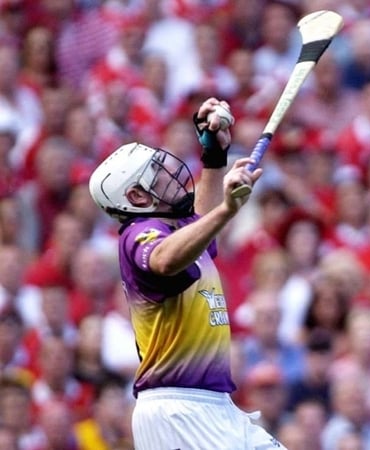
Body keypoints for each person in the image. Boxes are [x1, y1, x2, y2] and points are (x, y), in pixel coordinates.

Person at [87, 97, 286, 449]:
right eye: (157, 174)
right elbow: (164, 258)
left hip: (210, 405)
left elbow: (200, 225)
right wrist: (227, 210)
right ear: (137, 196)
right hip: (177, 409)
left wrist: (214, 156)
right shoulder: (138, 233)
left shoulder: (179, 231)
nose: (172, 174)